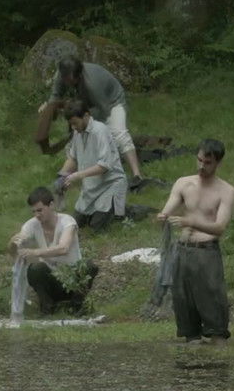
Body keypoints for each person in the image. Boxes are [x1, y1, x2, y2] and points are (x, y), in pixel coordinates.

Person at [157, 139, 234, 344]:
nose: (202, 166)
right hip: (183, 251)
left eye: (208, 162)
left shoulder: (226, 191)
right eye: (200, 160)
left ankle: (218, 353)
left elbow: (220, 227)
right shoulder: (183, 183)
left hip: (207, 252)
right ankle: (192, 348)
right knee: (185, 308)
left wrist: (191, 222)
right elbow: (168, 210)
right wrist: (162, 216)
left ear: (218, 162)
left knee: (214, 310)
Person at [39, 56, 144, 185]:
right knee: (75, 139)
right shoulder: (61, 74)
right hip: (86, 105)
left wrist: (85, 123)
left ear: (79, 75)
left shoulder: (93, 82)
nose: (69, 84)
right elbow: (55, 96)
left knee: (119, 134)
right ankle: (65, 178)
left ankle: (137, 175)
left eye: (72, 81)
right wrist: (49, 108)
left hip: (111, 102)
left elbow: (103, 110)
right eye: (67, 80)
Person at [9, 186, 99, 315]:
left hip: (73, 279)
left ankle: (77, 306)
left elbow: (63, 248)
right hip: (52, 282)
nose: (37, 215)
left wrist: (35, 252)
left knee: (89, 266)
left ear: (51, 205)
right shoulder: (32, 224)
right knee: (36, 269)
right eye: (33, 211)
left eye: (40, 210)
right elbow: (16, 249)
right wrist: (13, 243)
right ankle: (47, 307)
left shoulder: (67, 222)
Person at [57, 99, 128, 231]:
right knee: (75, 223)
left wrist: (77, 175)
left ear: (86, 116)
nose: (73, 127)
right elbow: (73, 159)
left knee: (96, 226)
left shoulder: (100, 130)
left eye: (75, 123)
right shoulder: (77, 133)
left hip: (110, 184)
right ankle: (109, 211)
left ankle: (122, 211)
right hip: (91, 187)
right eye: (71, 124)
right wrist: (61, 177)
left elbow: (104, 166)